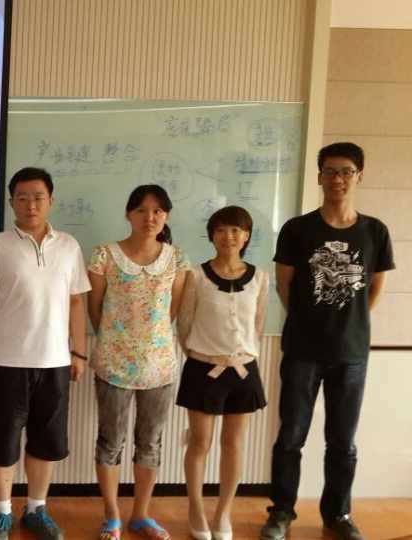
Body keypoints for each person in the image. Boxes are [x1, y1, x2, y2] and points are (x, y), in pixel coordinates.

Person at [260, 142, 394, 540]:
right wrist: (310, 320)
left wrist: (347, 322)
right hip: (302, 349)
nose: (338, 179)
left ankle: (338, 514)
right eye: (331, 171)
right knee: (291, 436)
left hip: (351, 353)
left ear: (359, 176)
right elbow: (284, 286)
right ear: (319, 176)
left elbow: (374, 288)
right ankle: (281, 512)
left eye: (346, 171)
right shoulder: (297, 229)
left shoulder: (374, 231)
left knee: (342, 441)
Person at [0, 167, 91, 540]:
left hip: (55, 361)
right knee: (4, 440)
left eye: (38, 197)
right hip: (7, 361)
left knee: (46, 440)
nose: (30, 205)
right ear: (11, 203)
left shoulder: (69, 246)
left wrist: (80, 352)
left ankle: (37, 508)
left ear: (51, 200)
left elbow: (77, 302)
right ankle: (3, 511)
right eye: (22, 198)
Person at [87, 184, 189, 540]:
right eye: (142, 210)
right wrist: (119, 341)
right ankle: (113, 516)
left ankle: (141, 515)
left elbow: (172, 311)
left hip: (159, 366)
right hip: (113, 364)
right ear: (128, 214)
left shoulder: (177, 258)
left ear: (166, 215)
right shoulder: (104, 255)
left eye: (158, 211)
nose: (150, 217)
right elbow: (95, 310)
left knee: (150, 443)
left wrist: (148, 342)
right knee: (110, 442)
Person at [176, 206, 269, 540]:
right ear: (211, 235)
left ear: (246, 236)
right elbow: (184, 324)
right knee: (199, 441)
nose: (228, 237)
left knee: (234, 443)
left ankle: (223, 514)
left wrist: (240, 354)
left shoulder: (260, 277)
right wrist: (201, 355)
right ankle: (196, 509)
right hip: (203, 368)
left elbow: (257, 324)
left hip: (243, 371)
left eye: (235, 230)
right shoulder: (196, 276)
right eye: (220, 230)